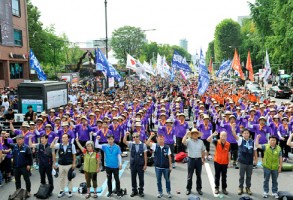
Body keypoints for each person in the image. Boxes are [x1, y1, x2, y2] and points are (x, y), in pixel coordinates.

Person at [255, 134, 282, 199]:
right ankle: (265, 192)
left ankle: (274, 192)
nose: (272, 141)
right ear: (269, 141)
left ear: (276, 141)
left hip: (275, 167)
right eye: (271, 140)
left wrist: (280, 167)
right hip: (267, 167)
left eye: (274, 140)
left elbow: (280, 158)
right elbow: (257, 145)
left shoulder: (279, 148)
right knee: (266, 180)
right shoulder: (265, 146)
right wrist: (257, 138)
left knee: (275, 181)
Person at [146, 132, 172, 198]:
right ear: (157, 139)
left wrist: (170, 166)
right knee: (158, 180)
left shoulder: (167, 147)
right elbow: (147, 143)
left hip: (166, 167)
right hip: (158, 167)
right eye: (159, 139)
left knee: (167, 180)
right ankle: (160, 192)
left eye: (162, 139)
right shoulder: (155, 145)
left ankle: (168, 192)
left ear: (164, 139)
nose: (161, 140)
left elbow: (169, 157)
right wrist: (151, 137)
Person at [51, 134, 77, 198]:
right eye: (62, 138)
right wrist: (54, 140)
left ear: (68, 139)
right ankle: (61, 190)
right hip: (61, 164)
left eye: (65, 138)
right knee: (61, 178)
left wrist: (74, 163)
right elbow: (52, 146)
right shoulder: (59, 145)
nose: (63, 139)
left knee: (69, 178)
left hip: (69, 164)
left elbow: (74, 155)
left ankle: (70, 191)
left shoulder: (72, 145)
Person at [231, 128, 256, 195]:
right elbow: (234, 135)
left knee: (249, 176)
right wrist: (233, 128)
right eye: (244, 133)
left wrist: (255, 160)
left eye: (247, 133)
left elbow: (254, 151)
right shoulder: (240, 140)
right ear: (242, 134)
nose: (246, 134)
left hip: (250, 162)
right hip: (242, 161)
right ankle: (240, 188)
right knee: (241, 176)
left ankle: (248, 188)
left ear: (249, 134)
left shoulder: (252, 141)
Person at [123, 131, 147, 197]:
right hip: (133, 164)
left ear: (139, 137)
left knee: (141, 178)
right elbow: (124, 141)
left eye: (137, 137)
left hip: (140, 164)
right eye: (134, 137)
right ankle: (134, 190)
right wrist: (126, 135)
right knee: (133, 178)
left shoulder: (143, 145)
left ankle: (141, 191)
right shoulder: (131, 144)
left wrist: (145, 164)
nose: (135, 138)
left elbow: (145, 156)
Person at [182, 128, 205, 196]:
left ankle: (199, 189)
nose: (195, 134)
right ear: (191, 135)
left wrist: (203, 159)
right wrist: (186, 134)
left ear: (198, 135)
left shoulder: (201, 142)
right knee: (190, 176)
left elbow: (203, 150)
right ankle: (188, 189)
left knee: (199, 176)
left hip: (198, 160)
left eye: (196, 133)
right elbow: (183, 141)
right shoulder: (188, 141)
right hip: (191, 160)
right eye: (193, 133)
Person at [207, 131, 230, 195]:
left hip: (225, 163)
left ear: (226, 137)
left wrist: (229, 162)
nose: (223, 137)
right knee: (217, 176)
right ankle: (216, 188)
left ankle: (224, 189)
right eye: (222, 135)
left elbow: (229, 153)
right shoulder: (216, 142)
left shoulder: (228, 144)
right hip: (217, 162)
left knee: (224, 176)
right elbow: (208, 139)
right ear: (219, 136)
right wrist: (213, 134)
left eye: (224, 136)